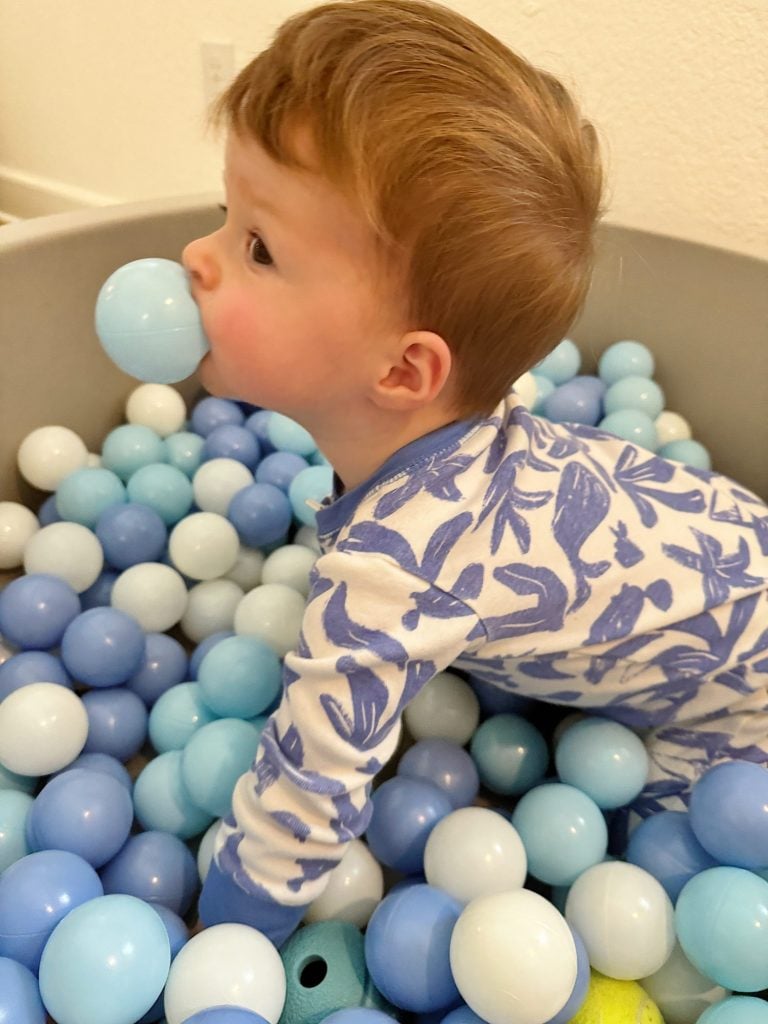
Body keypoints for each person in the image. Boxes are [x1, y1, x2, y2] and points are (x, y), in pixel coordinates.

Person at [182, 0, 768, 945]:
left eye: (256, 248)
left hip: (745, 694)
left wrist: (223, 926)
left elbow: (305, 798)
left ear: (405, 372)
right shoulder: (453, 431)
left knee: (666, 865)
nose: (194, 261)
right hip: (736, 547)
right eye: (224, 216)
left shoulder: (390, 580)